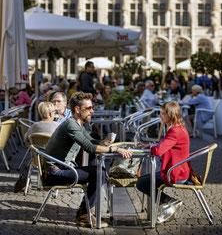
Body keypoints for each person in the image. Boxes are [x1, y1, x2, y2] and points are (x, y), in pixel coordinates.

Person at [44, 91, 132, 228]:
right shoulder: (71, 125)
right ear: (77, 110)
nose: (92, 111)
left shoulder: (77, 125)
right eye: (88, 108)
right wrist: (114, 149)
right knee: (99, 173)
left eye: (92, 107)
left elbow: (92, 141)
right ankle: (84, 213)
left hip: (63, 168)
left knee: (99, 171)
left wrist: (106, 142)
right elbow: (89, 147)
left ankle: (84, 211)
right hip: (53, 173)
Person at [136, 102, 190, 224]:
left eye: (163, 113)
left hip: (175, 174)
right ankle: (167, 204)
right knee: (143, 180)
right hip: (179, 170)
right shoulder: (179, 127)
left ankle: (169, 202)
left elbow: (159, 151)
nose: (160, 116)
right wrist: (149, 145)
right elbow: (164, 146)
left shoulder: (174, 131)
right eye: (161, 113)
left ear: (171, 115)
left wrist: (149, 148)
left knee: (141, 183)